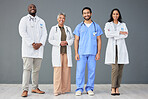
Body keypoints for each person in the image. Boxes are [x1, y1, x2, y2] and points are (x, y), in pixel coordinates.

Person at [19, 4, 47, 97]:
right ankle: (25, 89)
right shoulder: (24, 20)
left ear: (36, 9)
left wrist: (40, 43)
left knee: (36, 70)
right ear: (28, 9)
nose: (32, 8)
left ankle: (35, 87)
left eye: (34, 7)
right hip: (28, 49)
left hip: (38, 49)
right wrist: (32, 43)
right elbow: (22, 32)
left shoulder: (41, 21)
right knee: (27, 69)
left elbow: (44, 34)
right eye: (30, 7)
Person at [73, 7, 103, 96]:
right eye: (85, 13)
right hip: (81, 53)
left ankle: (89, 88)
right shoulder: (79, 26)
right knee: (80, 71)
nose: (86, 14)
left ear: (91, 14)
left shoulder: (96, 26)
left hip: (92, 53)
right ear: (83, 15)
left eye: (88, 13)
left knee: (92, 71)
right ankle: (79, 89)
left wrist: (98, 53)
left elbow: (99, 40)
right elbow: (76, 40)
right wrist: (76, 53)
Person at [104, 8, 129, 96]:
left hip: (121, 48)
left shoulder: (123, 24)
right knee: (115, 68)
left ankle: (117, 87)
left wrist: (115, 34)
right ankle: (113, 87)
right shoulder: (108, 24)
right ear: (111, 15)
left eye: (117, 14)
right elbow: (107, 34)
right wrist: (119, 32)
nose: (115, 15)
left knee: (120, 68)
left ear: (119, 15)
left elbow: (126, 34)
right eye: (114, 14)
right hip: (112, 48)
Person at [48, 13, 74, 96]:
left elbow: (72, 39)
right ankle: (57, 90)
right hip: (58, 53)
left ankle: (64, 89)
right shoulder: (53, 28)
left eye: (63, 18)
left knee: (66, 71)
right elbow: (50, 40)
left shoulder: (68, 28)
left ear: (65, 19)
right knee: (57, 72)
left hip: (66, 53)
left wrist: (67, 42)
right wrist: (59, 43)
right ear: (57, 19)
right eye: (60, 18)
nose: (61, 19)